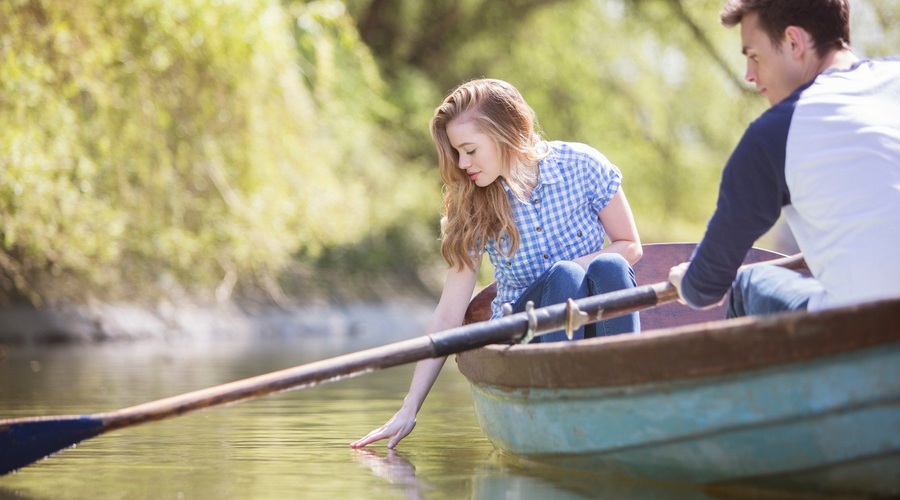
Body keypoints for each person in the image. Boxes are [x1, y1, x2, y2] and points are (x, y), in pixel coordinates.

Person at [350, 78, 642, 449]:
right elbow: (448, 315)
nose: (462, 163)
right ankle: (558, 408)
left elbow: (629, 245)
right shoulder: (471, 203)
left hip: (594, 325)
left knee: (609, 268)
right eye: (457, 152)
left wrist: (575, 269)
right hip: (527, 339)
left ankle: (629, 395)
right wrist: (410, 407)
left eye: (470, 150)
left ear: (504, 133)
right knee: (564, 275)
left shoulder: (582, 165)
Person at [668, 0, 900, 317]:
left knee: (749, 281)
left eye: (754, 56)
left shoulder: (775, 134)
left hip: (868, 335)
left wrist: (685, 281)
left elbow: (705, 287)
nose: (749, 75)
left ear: (794, 42)